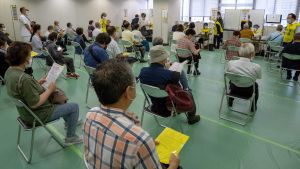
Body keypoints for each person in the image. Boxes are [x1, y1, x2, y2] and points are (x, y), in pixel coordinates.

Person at [84, 58, 180, 169]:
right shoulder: (140, 141)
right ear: (129, 91)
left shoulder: (90, 114)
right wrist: (173, 164)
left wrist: (142, 143)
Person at [4, 41, 82, 145]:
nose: (30, 57)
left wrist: (37, 83)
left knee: (59, 98)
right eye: (29, 55)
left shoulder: (9, 72)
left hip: (24, 113)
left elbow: (22, 90)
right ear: (23, 59)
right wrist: (50, 90)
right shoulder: (25, 79)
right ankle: (71, 138)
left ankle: (69, 122)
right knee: (74, 107)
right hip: (37, 115)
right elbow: (35, 103)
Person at [139, 45, 200, 124]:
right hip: (169, 107)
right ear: (163, 59)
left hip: (154, 105)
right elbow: (181, 88)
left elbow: (157, 76)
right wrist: (167, 70)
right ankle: (191, 117)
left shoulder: (142, 71)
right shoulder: (170, 75)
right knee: (188, 92)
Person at [227, 43, 261, 111]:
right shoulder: (256, 66)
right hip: (248, 91)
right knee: (256, 85)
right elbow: (258, 77)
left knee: (232, 79)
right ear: (252, 54)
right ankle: (253, 106)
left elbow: (229, 75)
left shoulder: (231, 63)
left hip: (234, 88)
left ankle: (230, 99)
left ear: (240, 52)